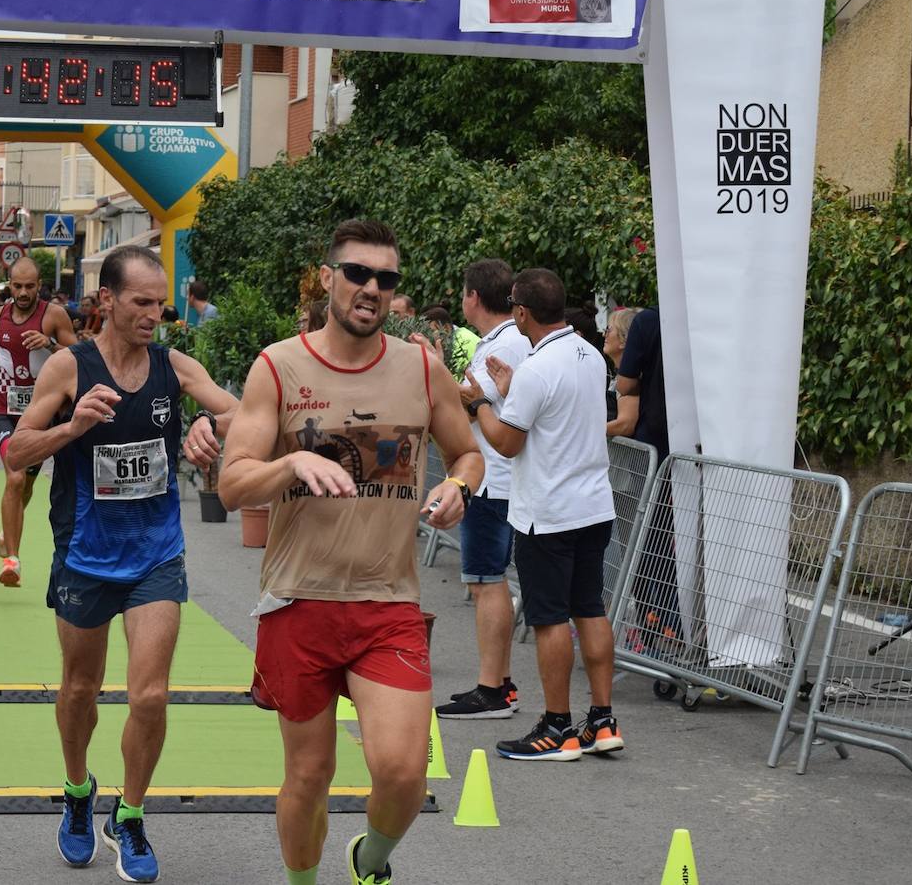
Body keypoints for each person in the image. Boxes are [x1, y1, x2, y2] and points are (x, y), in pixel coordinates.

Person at [218, 220, 483, 885]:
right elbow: (232, 483)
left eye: (386, 280)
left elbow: (471, 452)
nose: (371, 289)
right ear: (329, 278)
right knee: (308, 775)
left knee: (402, 771)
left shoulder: (422, 367)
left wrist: (458, 487)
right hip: (298, 602)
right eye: (358, 274)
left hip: (387, 604)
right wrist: (293, 463)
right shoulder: (279, 365)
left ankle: (370, 859)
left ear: (396, 295)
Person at [7, 245, 238, 884]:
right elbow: (15, 452)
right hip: (84, 556)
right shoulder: (67, 367)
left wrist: (212, 436)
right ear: (106, 300)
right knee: (80, 690)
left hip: (155, 556)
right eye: (141, 302)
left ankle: (129, 815)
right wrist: (71, 427)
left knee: (151, 694)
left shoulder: (173, 366)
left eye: (160, 303)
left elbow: (240, 413)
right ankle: (78, 791)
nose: (154, 315)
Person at [464, 268, 622, 762]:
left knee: (550, 618)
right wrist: (512, 392)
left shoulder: (537, 367)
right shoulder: (589, 355)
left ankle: (557, 727)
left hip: (548, 511)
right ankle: (601, 719)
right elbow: (556, 415)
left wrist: (482, 403)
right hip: (593, 503)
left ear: (522, 311)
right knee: (590, 609)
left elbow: (508, 443)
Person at [437, 258, 532, 722]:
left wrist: (435, 375)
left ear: (473, 297)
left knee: (486, 582)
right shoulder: (505, 340)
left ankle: (491, 690)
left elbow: (483, 404)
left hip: (493, 479)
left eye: (463, 292)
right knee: (486, 580)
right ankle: (500, 684)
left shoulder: (505, 344)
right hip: (497, 477)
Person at [0, 257, 77, 588]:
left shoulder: (53, 315)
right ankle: (12, 560)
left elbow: (81, 353)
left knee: (26, 484)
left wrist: (51, 343)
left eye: (30, 286)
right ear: (9, 285)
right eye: (17, 286)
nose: (24, 292)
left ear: (39, 285)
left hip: (42, 414)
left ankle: (7, 531)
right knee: (14, 478)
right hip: (5, 410)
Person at [615, 306, 679, 649]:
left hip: (654, 444)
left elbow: (626, 386)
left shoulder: (649, 321)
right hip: (696, 444)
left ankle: (660, 618)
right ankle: (663, 619)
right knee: (666, 538)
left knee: (649, 536)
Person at [604, 307, 640, 438]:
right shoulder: (619, 374)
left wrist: (586, 430)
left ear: (624, 340)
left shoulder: (630, 378)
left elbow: (625, 425)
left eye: (609, 329)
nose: (604, 334)